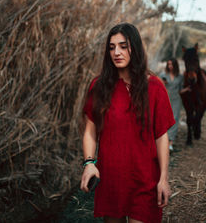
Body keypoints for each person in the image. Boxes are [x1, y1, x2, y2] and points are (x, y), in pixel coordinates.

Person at [80, 23, 175, 223]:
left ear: (136, 48)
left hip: (145, 179)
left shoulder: (155, 87)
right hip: (111, 179)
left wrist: (163, 179)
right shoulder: (99, 86)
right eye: (112, 47)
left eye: (123, 46)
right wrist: (89, 164)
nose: (117, 52)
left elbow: (161, 136)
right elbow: (90, 131)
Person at [160, 58, 190, 151]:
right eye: (168, 64)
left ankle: (170, 143)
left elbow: (180, 90)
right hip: (165, 99)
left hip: (176, 100)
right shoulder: (163, 75)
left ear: (175, 65)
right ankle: (163, 141)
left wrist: (187, 89)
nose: (170, 66)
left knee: (174, 119)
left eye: (172, 64)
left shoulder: (180, 77)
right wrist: (162, 83)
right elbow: (157, 87)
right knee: (164, 119)